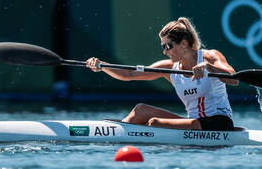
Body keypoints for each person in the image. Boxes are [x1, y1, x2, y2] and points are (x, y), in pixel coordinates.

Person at [86, 17, 238, 131]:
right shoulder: (169, 68)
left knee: (155, 123)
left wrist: (209, 67)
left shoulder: (210, 56)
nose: (165, 51)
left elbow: (233, 78)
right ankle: (117, 136)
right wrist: (102, 66)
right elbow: (129, 74)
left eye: (168, 46)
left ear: (184, 43)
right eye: (163, 46)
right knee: (140, 110)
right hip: (194, 122)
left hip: (219, 122)